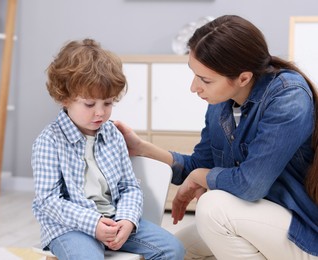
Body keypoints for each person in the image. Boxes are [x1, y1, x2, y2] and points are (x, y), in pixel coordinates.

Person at [114, 15, 318, 260]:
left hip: (302, 230)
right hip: (257, 219)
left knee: (212, 208)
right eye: (194, 74)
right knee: (173, 250)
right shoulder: (221, 103)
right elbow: (197, 166)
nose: (194, 87)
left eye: (205, 80)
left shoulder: (288, 97)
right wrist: (142, 148)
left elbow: (249, 185)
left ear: (243, 78)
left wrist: (201, 177)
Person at [31, 38, 185, 260]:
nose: (100, 113)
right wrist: (93, 223)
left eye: (108, 103)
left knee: (173, 249)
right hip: (69, 228)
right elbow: (48, 201)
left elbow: (129, 187)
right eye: (89, 104)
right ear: (64, 98)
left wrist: (127, 220)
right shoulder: (49, 141)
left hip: (114, 219)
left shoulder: (113, 135)